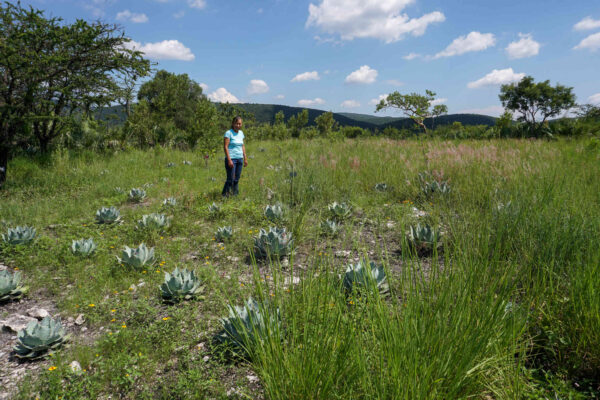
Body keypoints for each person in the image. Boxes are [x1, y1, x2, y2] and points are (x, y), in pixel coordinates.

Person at [222, 116, 248, 197]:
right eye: (237, 123)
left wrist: (245, 158)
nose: (238, 125)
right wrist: (229, 160)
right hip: (231, 159)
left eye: (240, 124)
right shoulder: (228, 133)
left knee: (236, 179)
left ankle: (235, 196)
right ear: (233, 124)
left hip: (239, 158)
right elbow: (225, 147)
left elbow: (242, 146)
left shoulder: (241, 133)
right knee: (230, 179)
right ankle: (224, 196)